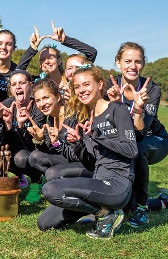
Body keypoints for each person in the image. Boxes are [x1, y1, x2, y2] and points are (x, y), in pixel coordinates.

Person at [37, 64, 138, 239]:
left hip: (117, 184)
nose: (81, 90)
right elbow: (90, 160)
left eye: (86, 84)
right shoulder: (84, 118)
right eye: (77, 87)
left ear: (100, 84)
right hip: (97, 181)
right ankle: (103, 211)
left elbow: (132, 150)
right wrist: (77, 143)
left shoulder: (117, 110)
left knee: (50, 189)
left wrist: (99, 137)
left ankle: (106, 215)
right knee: (44, 223)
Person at [105, 42, 168, 227]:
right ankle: (162, 201)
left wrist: (139, 107)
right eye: (127, 61)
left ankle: (142, 207)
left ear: (143, 64)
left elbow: (141, 133)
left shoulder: (151, 89)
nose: (132, 66)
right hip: (126, 139)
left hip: (154, 139)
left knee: (137, 149)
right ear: (118, 62)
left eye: (138, 61)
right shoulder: (109, 87)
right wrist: (114, 103)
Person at [0, 70, 47, 188]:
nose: (18, 87)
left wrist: (21, 125)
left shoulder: (37, 106)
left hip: (32, 151)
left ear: (30, 85)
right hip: (12, 149)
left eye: (22, 83)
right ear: (11, 89)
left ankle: (37, 181)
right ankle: (15, 177)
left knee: (22, 158)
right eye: (14, 84)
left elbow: (33, 144)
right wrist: (4, 123)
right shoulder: (5, 105)